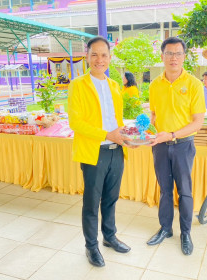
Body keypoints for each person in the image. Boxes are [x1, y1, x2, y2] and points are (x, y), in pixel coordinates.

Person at [68, 36, 131, 268]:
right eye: (94, 54)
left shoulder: (115, 86)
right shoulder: (78, 84)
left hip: (117, 150)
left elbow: (116, 120)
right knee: (92, 202)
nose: (99, 59)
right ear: (87, 57)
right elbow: (75, 122)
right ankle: (91, 246)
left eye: (104, 55)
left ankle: (109, 237)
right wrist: (107, 135)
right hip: (94, 151)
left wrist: (125, 137)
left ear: (109, 58)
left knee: (111, 199)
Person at [147, 37, 206, 256]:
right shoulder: (155, 85)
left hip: (183, 145)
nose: (174, 58)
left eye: (178, 53)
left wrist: (171, 134)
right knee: (164, 190)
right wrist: (147, 131)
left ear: (184, 57)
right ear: (162, 56)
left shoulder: (194, 84)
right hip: (160, 146)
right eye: (169, 53)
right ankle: (165, 229)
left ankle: (186, 233)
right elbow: (154, 115)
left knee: (185, 192)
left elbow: (197, 122)